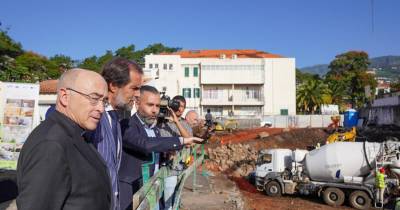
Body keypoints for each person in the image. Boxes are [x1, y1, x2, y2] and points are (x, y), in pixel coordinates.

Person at [17, 69, 111, 210]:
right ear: (65, 97)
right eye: (94, 98)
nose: (101, 108)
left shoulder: (74, 133)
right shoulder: (50, 145)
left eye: (104, 101)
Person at [119, 86, 203, 210]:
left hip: (152, 190)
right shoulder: (127, 125)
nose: (154, 110)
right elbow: (145, 145)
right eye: (150, 105)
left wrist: (165, 153)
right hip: (133, 192)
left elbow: (155, 147)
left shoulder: (155, 130)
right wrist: (182, 140)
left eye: (157, 106)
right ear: (137, 103)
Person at [86, 57, 143, 210]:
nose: (138, 94)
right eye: (134, 88)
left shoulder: (116, 118)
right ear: (113, 86)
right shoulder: (93, 119)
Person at [158, 95, 192, 210]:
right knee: (163, 202)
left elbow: (189, 142)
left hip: (178, 168)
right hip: (162, 167)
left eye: (183, 106)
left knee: (173, 201)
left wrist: (176, 121)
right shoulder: (162, 121)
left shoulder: (185, 124)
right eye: (177, 105)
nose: (180, 108)